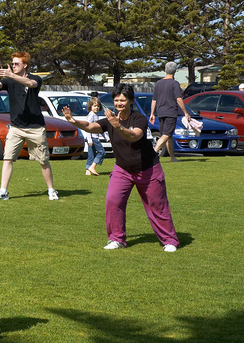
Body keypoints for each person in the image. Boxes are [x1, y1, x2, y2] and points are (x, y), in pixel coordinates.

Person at [62, 84, 181, 252]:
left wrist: (118, 126)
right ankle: (116, 238)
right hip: (122, 170)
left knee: (157, 206)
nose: (119, 103)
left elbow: (134, 136)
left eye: (123, 100)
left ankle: (170, 240)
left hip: (148, 169)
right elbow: (90, 127)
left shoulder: (138, 118)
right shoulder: (110, 120)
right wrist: (73, 121)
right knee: (113, 200)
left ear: (130, 101)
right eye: (116, 100)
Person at [0, 51, 58, 201]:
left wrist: (10, 74)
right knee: (7, 158)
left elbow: (30, 84)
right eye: (12, 64)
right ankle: (3, 191)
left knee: (43, 160)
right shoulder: (10, 81)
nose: (13, 66)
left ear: (25, 65)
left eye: (16, 64)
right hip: (16, 128)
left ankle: (51, 190)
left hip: (35, 128)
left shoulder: (35, 79)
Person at [148, 61, 191, 162]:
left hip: (160, 112)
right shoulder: (174, 83)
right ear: (175, 71)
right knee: (166, 134)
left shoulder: (158, 83)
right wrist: (186, 112)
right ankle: (153, 154)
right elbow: (179, 99)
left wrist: (152, 113)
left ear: (165, 70)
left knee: (168, 135)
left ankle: (172, 157)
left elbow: (154, 100)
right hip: (170, 112)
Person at [84, 97, 106, 176]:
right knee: (102, 152)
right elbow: (88, 128)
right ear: (90, 107)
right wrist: (89, 140)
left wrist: (106, 137)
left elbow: (99, 128)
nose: (96, 108)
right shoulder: (91, 115)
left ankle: (88, 170)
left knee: (92, 154)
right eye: (94, 106)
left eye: (97, 106)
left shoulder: (96, 115)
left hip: (94, 137)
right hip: (93, 138)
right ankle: (92, 167)